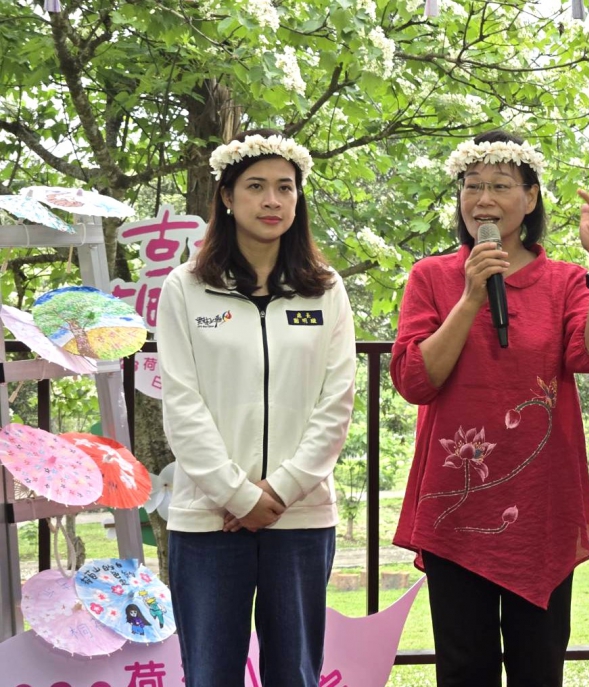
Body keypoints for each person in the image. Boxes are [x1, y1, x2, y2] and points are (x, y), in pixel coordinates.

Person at [391, 130, 589, 687]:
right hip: (457, 502)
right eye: (472, 185)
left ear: (530, 198)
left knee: (539, 665)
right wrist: (471, 296)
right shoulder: (432, 277)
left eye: (501, 185)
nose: (484, 199)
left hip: (540, 503)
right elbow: (414, 379)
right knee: (463, 668)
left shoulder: (566, 281)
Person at [158, 129, 356, 687]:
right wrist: (239, 496)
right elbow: (182, 403)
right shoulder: (185, 287)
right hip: (208, 517)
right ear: (226, 196)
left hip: (301, 515)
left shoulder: (325, 289)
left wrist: (281, 490)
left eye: (285, 188)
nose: (272, 200)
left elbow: (336, 401)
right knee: (209, 674)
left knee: (295, 674)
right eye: (255, 186)